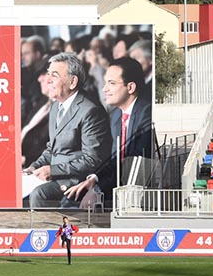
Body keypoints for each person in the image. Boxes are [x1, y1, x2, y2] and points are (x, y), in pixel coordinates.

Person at [24, 52, 112, 208]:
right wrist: (34, 166)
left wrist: (53, 170)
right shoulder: (56, 105)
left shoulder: (90, 110)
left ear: (72, 82)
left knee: (38, 194)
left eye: (54, 75)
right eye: (48, 74)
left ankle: (44, 232)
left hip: (76, 179)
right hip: (55, 175)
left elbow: (93, 159)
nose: (48, 79)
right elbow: (53, 148)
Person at [64, 57, 154, 206]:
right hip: (118, 185)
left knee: (82, 205)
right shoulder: (116, 115)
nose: (104, 89)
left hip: (139, 191)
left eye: (111, 83)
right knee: (71, 198)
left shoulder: (147, 112)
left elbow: (136, 161)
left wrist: (99, 190)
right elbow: (114, 159)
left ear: (130, 87)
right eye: (105, 83)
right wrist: (94, 179)